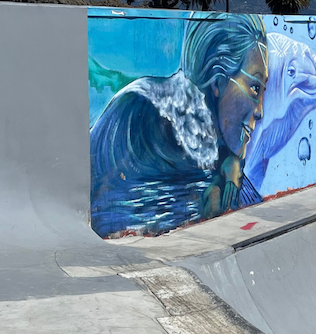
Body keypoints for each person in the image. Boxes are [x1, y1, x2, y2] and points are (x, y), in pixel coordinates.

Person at [90, 13, 268, 236]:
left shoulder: (227, 169)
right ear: (218, 80)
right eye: (255, 88)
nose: (260, 111)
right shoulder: (141, 108)